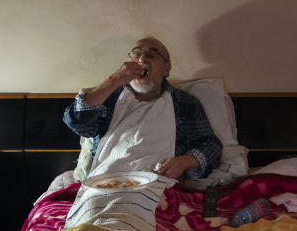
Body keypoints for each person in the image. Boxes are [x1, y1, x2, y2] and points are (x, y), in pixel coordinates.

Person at [63, 37, 221, 180]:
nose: (142, 59)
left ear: (166, 69)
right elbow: (78, 123)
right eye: (136, 54)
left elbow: (211, 146)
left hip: (159, 186)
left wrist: (185, 162)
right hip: (104, 182)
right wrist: (113, 80)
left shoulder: (185, 103)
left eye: (151, 55)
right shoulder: (108, 97)